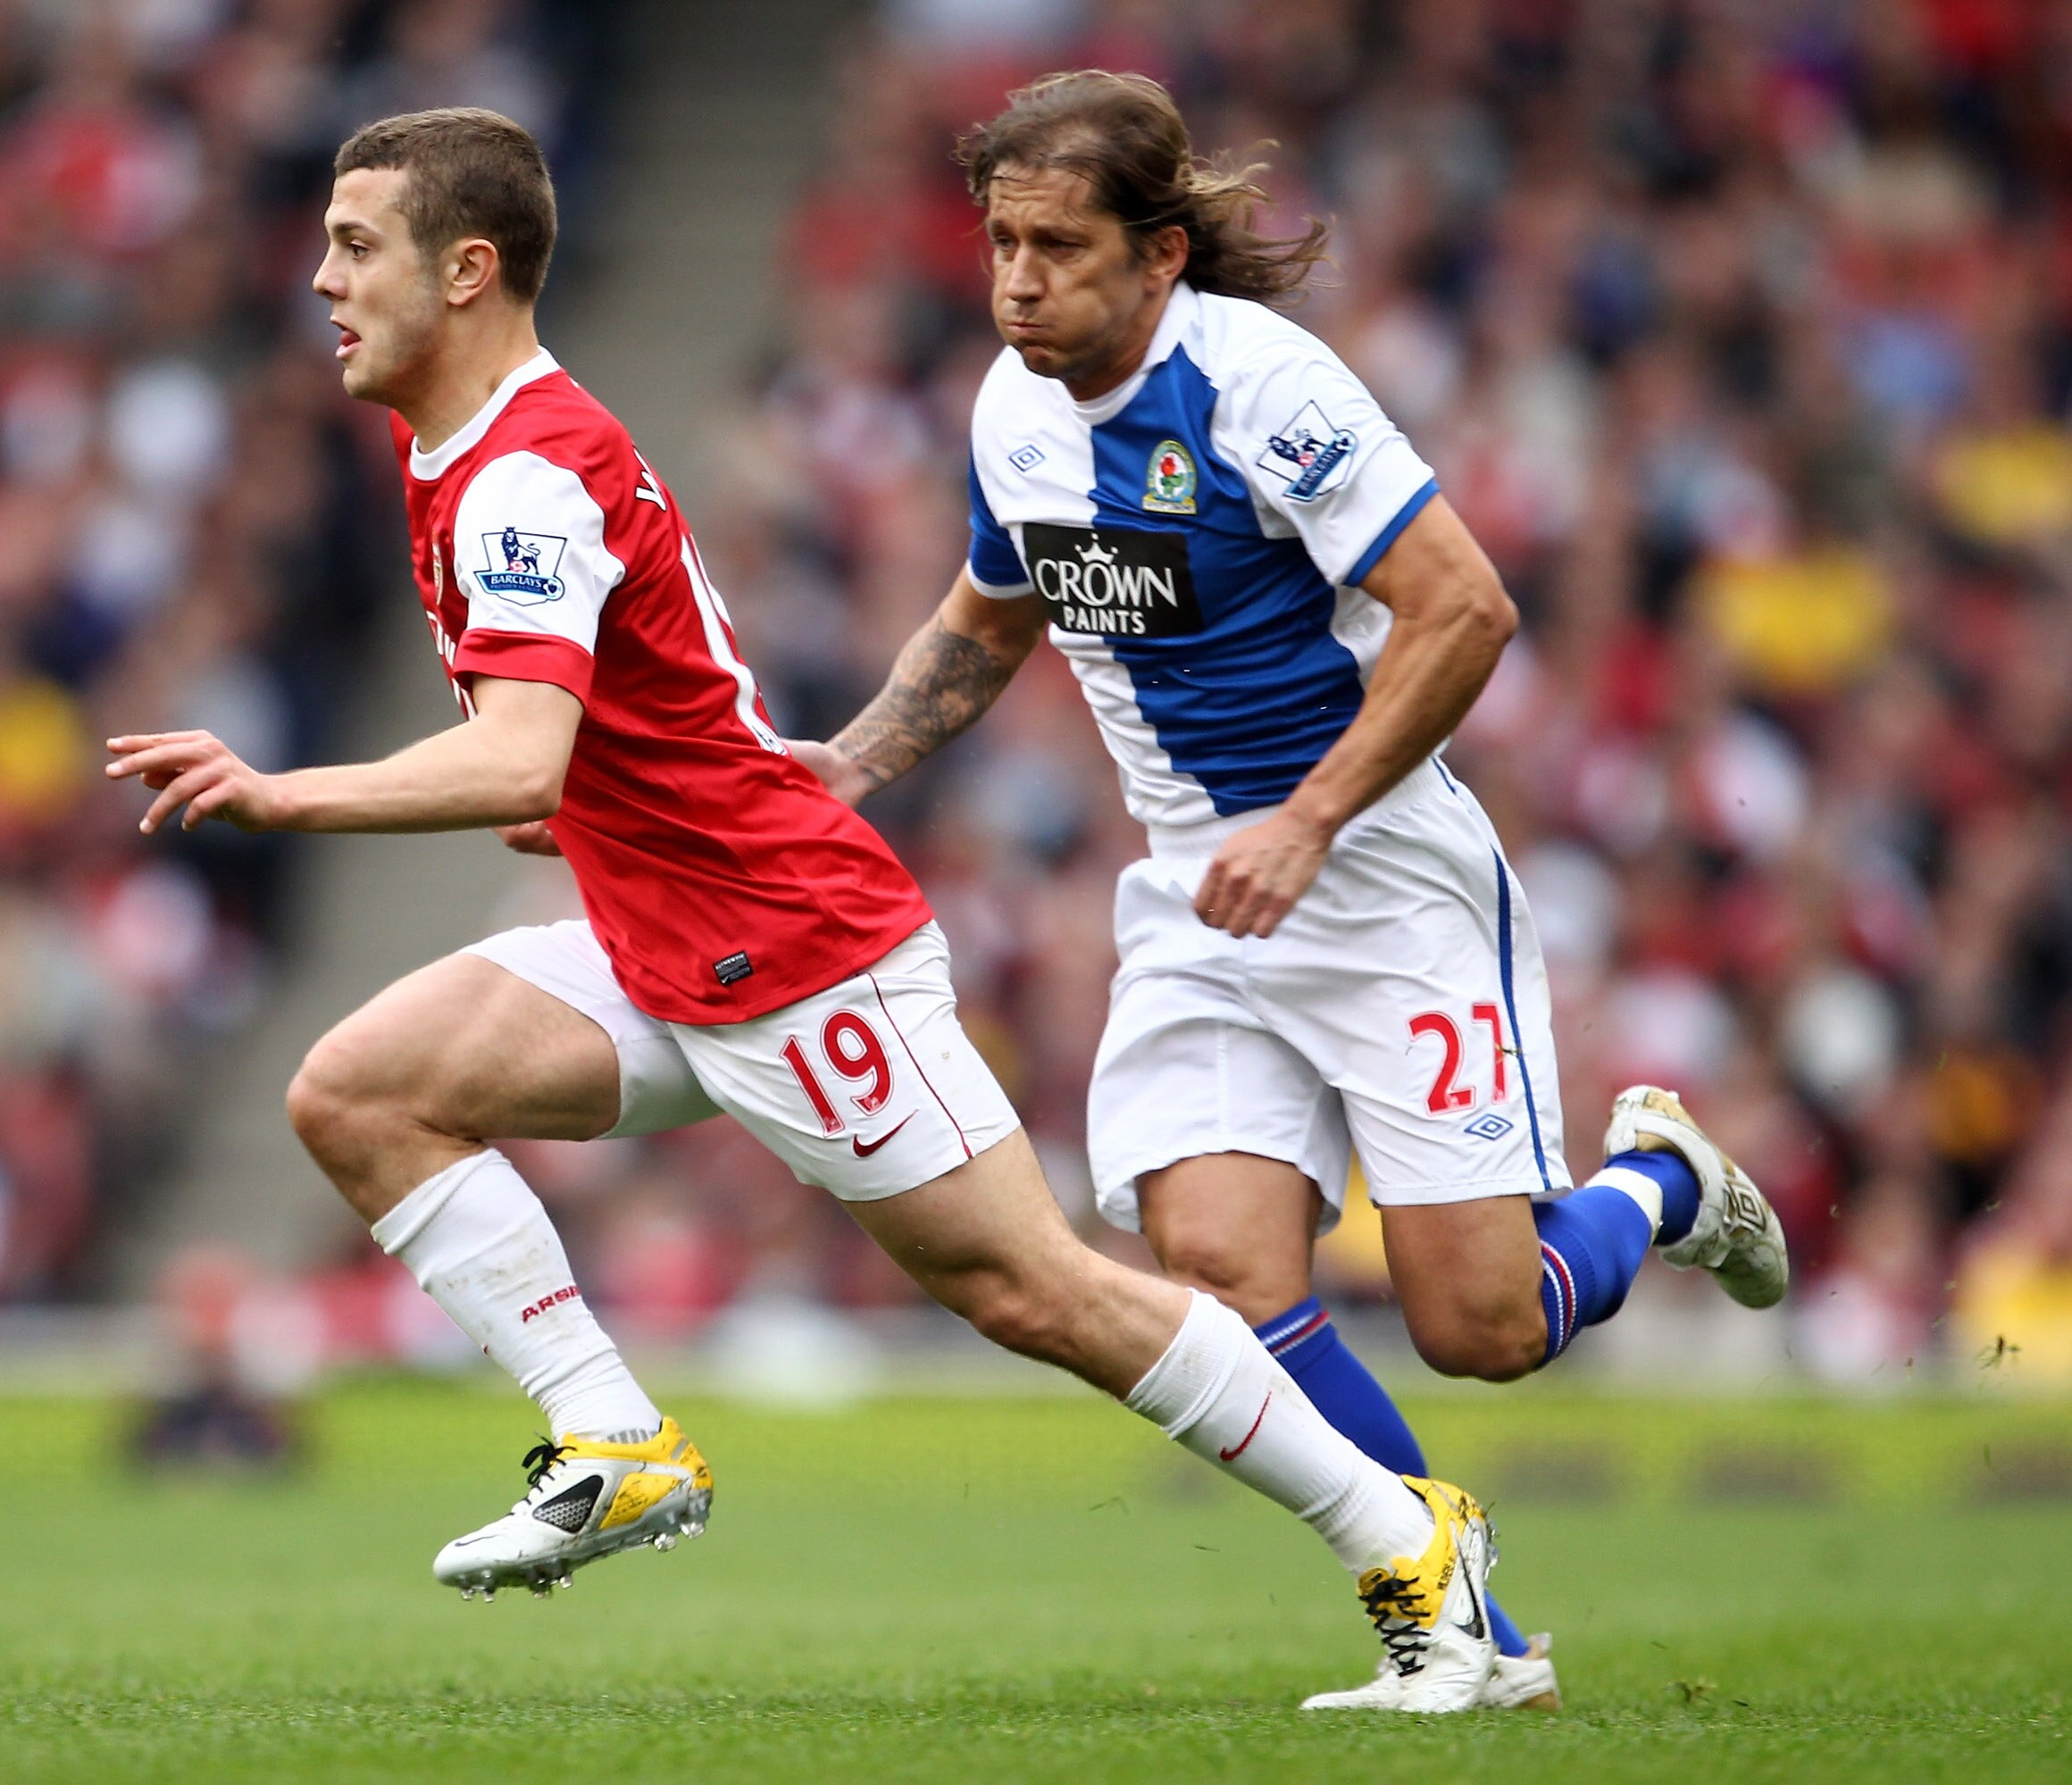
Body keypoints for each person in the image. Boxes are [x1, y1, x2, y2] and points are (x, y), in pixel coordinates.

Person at [106, 104, 1514, 1712]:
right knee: (358, 1093)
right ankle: (613, 1438)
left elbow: (516, 756)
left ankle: (1405, 1533)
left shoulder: (520, 478)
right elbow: (611, 737)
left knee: (1035, 1292)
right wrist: (610, 805)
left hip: (791, 948)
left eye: (355, 248)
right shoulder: (476, 448)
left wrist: (291, 790)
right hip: (666, 932)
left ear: (467, 269)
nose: (322, 280)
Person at [792, 70, 1793, 1713]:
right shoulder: (1011, 408)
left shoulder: (1264, 390)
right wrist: (849, 764)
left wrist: (1315, 819)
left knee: (1480, 1326)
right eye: (999, 243)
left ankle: (1661, 1189)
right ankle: (1457, 1618)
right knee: (1227, 1280)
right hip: (1196, 894)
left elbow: (1463, 609)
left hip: (1380, 877)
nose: (1019, 280)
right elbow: (987, 623)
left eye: (1058, 246)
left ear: (1162, 256)